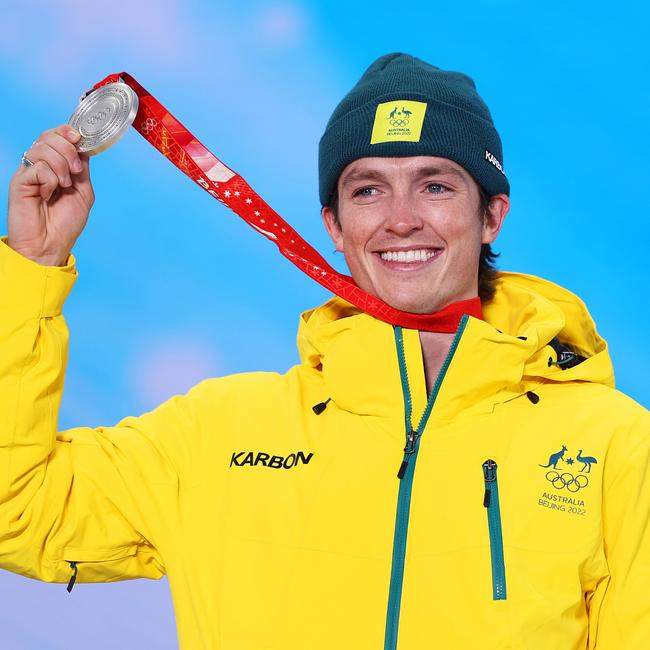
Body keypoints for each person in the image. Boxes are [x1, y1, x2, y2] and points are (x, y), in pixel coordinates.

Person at [1, 52, 648, 650]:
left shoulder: (613, 446)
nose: (400, 219)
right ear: (334, 226)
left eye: (436, 186)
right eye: (367, 189)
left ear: (492, 215)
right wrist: (31, 265)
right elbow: (19, 509)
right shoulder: (216, 433)